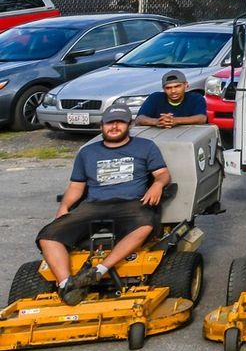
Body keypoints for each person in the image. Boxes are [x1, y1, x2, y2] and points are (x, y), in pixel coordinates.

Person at [37, 106, 169, 304]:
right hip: (94, 205)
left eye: (120, 122)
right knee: (47, 236)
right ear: (102, 126)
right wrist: (64, 207)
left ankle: (99, 270)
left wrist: (157, 185)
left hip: (131, 204)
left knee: (146, 226)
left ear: (129, 125)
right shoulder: (87, 152)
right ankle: (67, 285)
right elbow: (76, 186)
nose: (114, 126)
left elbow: (162, 174)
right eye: (110, 122)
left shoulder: (146, 146)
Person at [135, 69, 208, 128]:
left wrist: (175, 120)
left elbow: (202, 118)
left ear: (186, 85)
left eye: (177, 86)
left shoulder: (196, 98)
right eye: (168, 88)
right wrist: (157, 121)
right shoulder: (155, 97)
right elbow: (139, 119)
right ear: (163, 89)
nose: (173, 91)